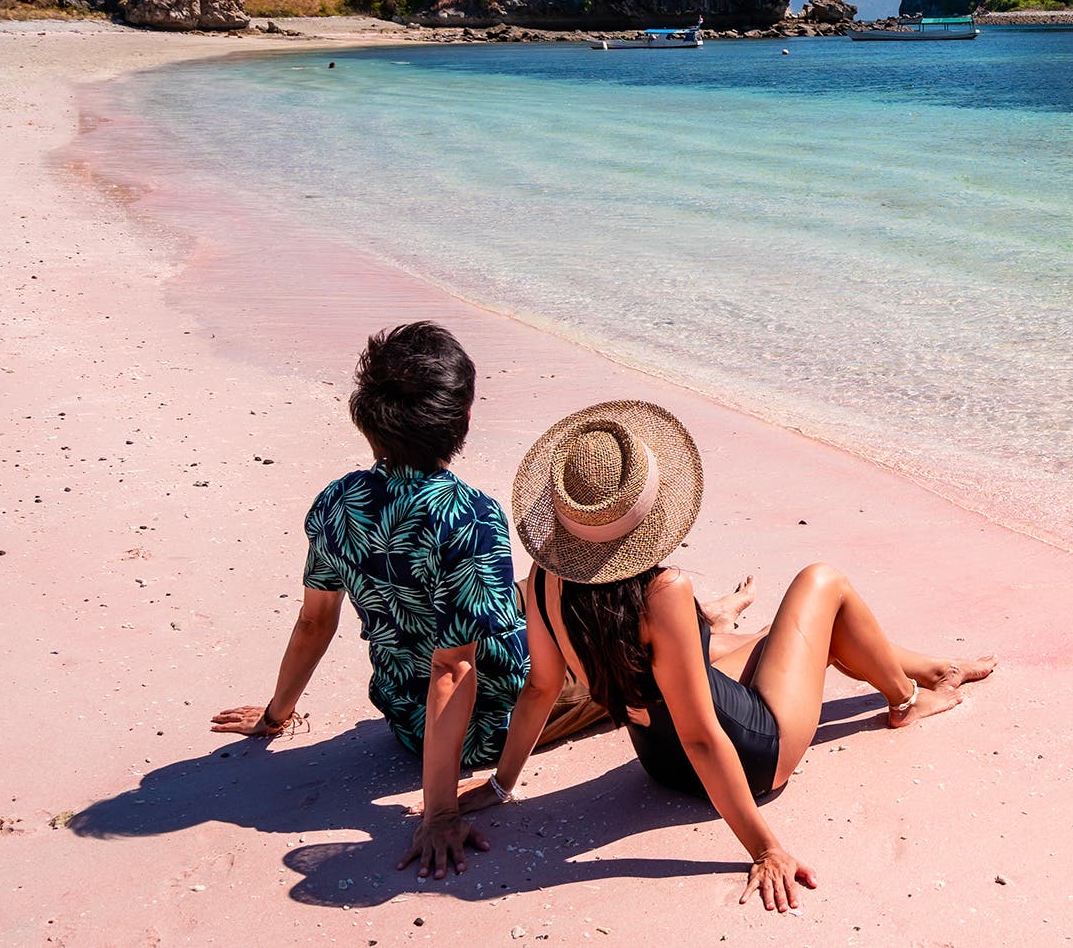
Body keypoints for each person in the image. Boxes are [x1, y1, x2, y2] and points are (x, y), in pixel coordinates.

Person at [458, 400, 995, 912]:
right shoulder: (662, 590)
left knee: (773, 637)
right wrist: (765, 849)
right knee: (821, 583)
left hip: (658, 762)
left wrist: (501, 786)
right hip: (752, 758)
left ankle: (933, 670)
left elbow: (540, 689)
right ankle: (906, 699)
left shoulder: (547, 579)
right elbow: (700, 734)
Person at [209, 322, 600, 876]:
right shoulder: (472, 515)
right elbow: (452, 668)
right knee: (632, 641)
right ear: (463, 420)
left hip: (404, 715)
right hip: (485, 725)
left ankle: (707, 616)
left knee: (518, 594)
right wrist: (439, 812)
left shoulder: (338, 502)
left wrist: (277, 716)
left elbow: (314, 622)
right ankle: (714, 630)